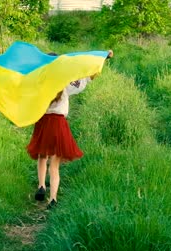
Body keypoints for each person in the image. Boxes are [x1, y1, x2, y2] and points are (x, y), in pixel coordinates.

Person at [26, 50, 113, 209]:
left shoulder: (39, 82)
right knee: (55, 164)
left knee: (42, 155)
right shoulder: (65, 82)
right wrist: (103, 58)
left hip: (43, 122)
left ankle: (41, 186)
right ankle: (52, 199)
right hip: (58, 123)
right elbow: (87, 76)